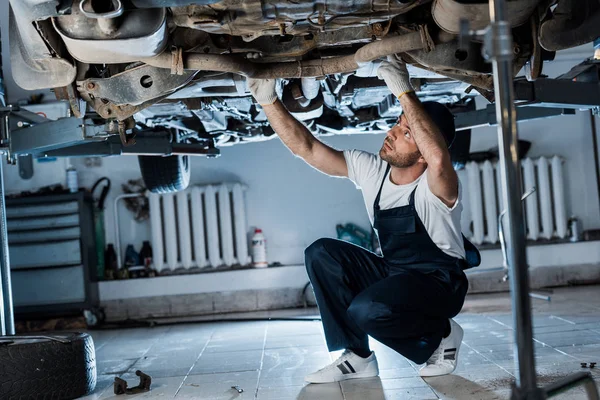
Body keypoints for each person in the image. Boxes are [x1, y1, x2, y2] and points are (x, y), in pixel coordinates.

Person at [248, 56, 478, 384]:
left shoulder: (438, 186)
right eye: (398, 124)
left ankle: (441, 334)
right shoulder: (374, 172)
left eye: (407, 132)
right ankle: (357, 356)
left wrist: (403, 89)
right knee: (321, 253)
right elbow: (308, 148)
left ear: (427, 148)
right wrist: (268, 101)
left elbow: (440, 157)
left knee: (367, 310)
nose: (392, 133)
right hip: (397, 274)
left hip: (438, 285)